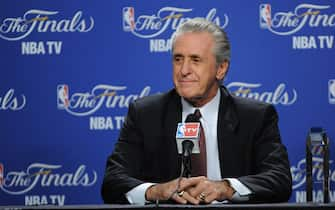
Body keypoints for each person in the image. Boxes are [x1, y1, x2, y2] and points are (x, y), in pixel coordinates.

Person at [101, 18, 292, 204]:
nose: (184, 70)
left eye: (195, 60)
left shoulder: (255, 117)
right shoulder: (145, 114)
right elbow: (113, 181)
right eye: (178, 59)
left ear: (221, 68)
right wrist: (156, 191)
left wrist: (224, 188)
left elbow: (279, 179)